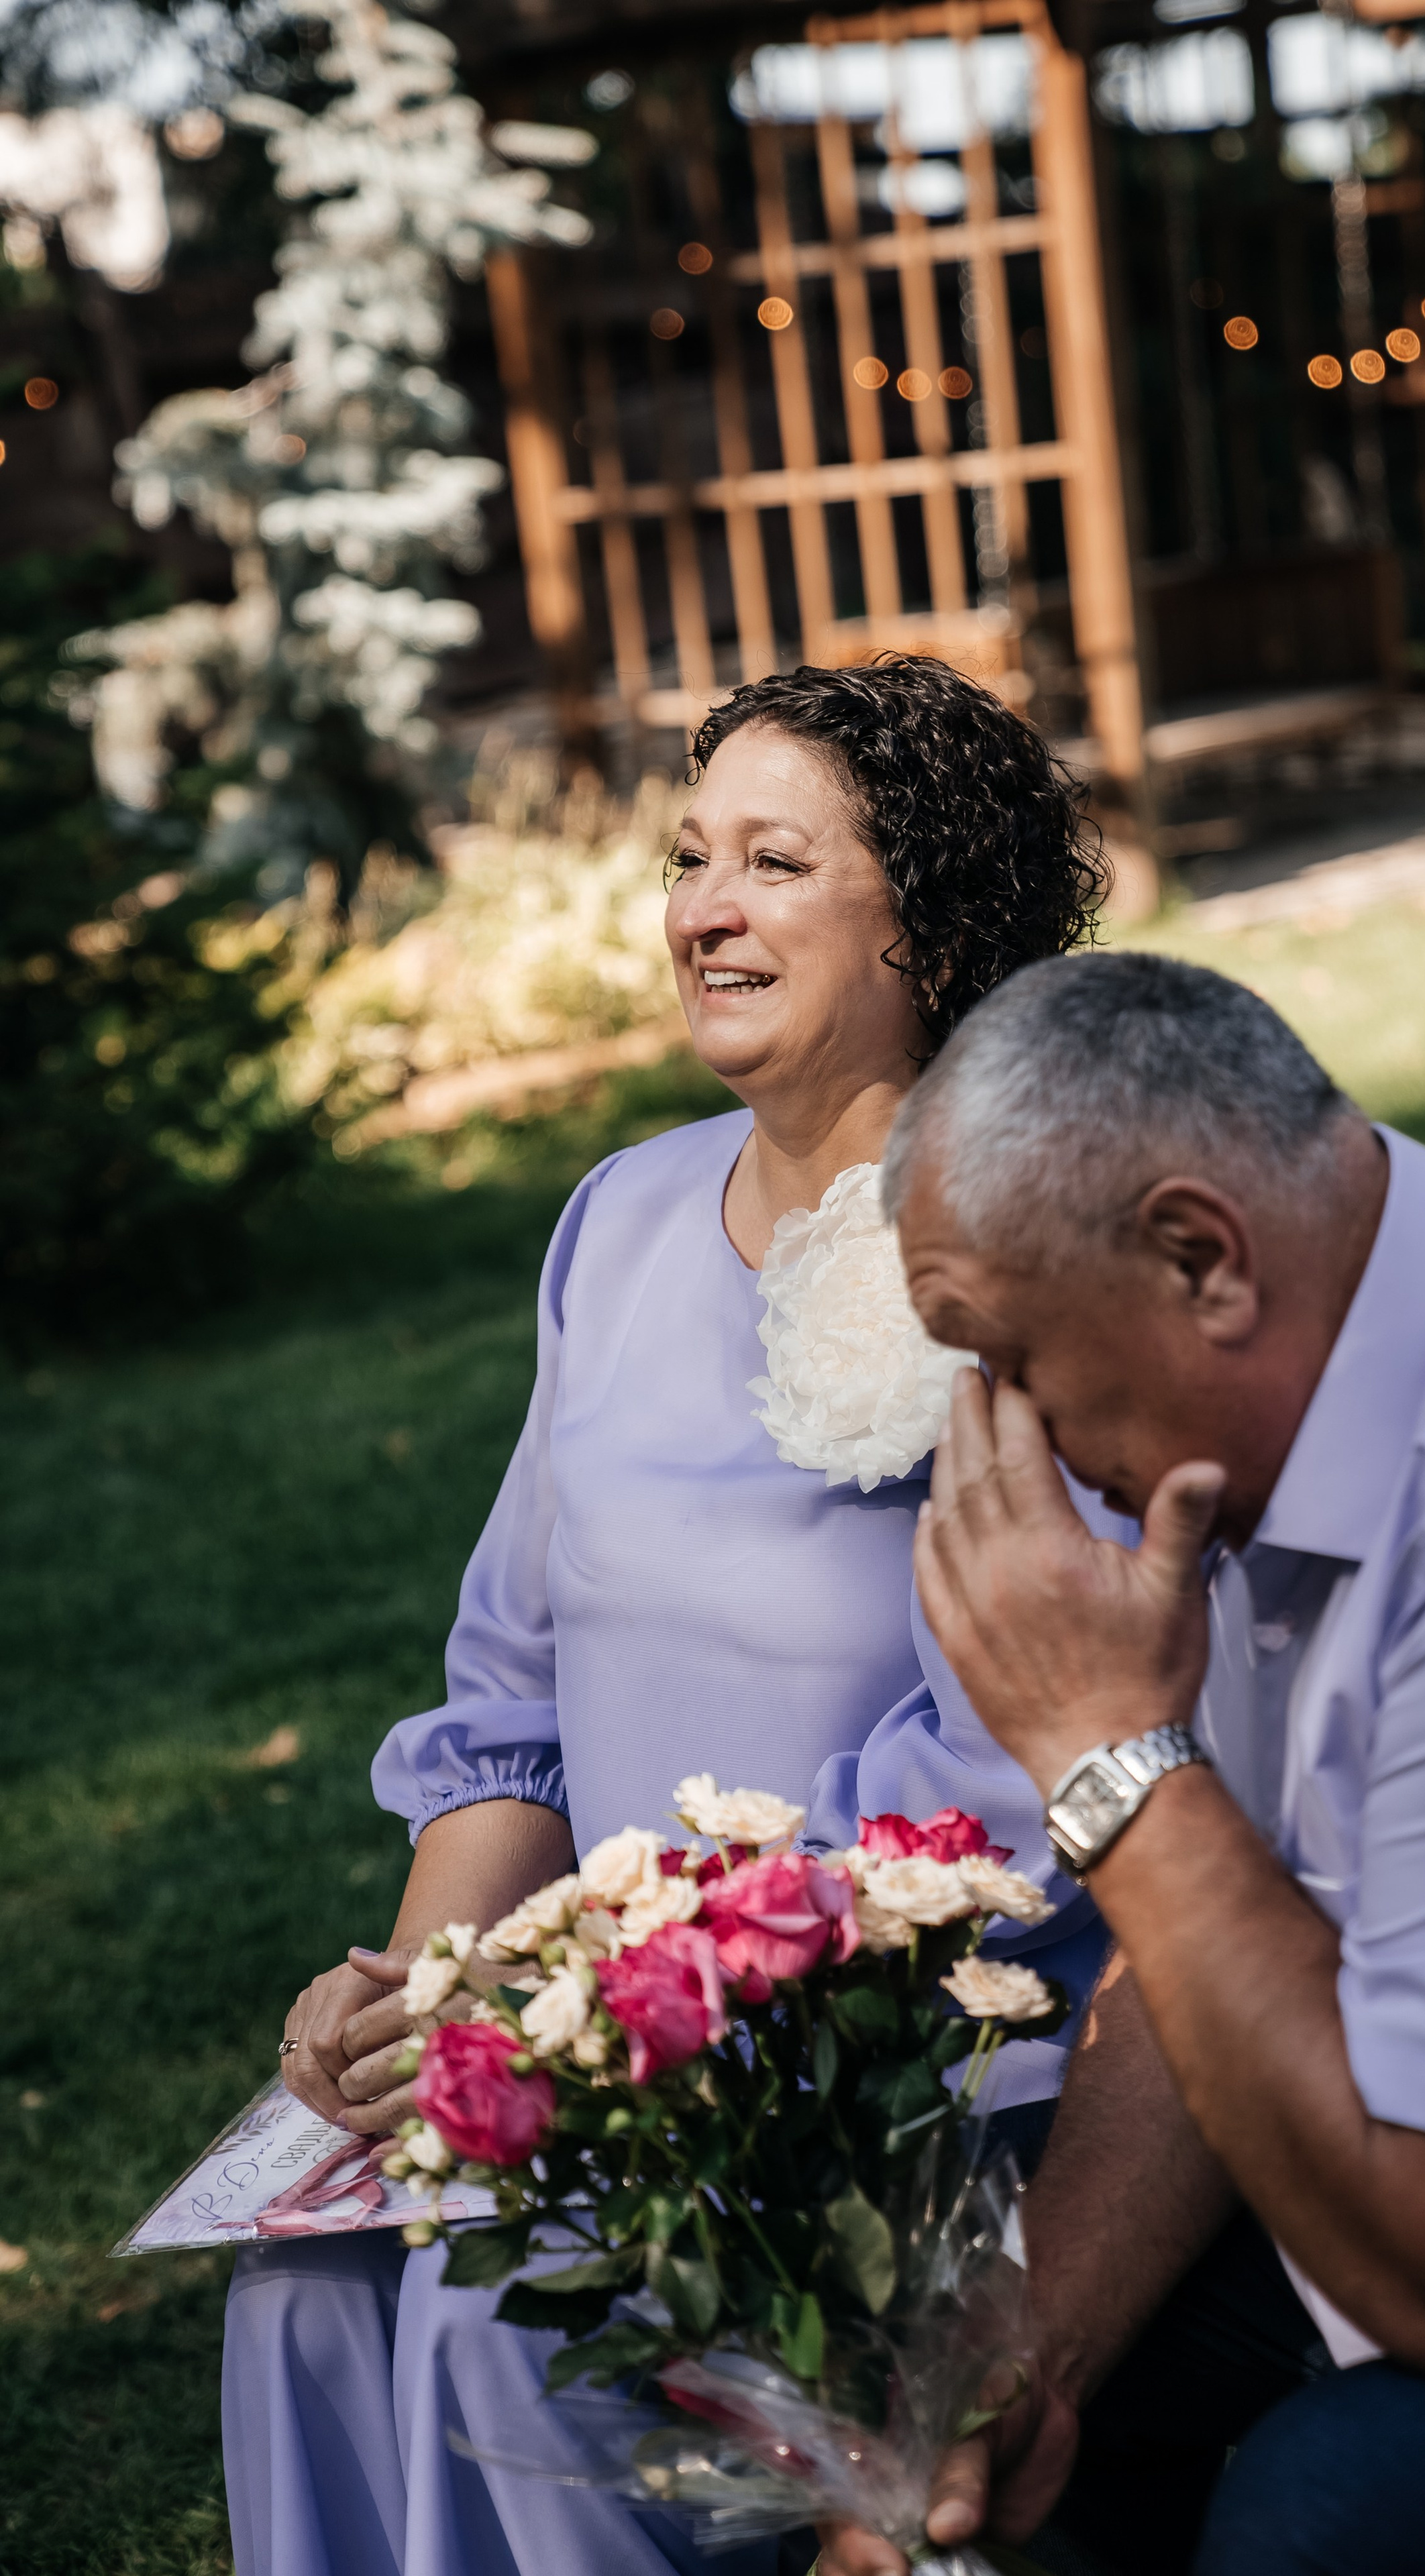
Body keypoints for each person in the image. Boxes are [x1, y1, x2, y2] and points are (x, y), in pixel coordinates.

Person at [221, 659, 1126, 2576]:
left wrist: (593, 2030)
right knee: (309, 2285)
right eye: (687, 856)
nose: (701, 909)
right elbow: (514, 1704)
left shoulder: (1022, 1261)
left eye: (773, 864)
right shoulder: (619, 1220)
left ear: (933, 924)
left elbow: (1002, 1793)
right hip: (580, 2028)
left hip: (901, 2068)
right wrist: (419, 2031)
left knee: (495, 2308)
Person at [823, 950, 1425, 2576]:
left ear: (1197, 1255)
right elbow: (1207, 1957)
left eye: (1007, 1359)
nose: (1002, 1439)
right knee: (922, 2373)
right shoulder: (1274, 1408)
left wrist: (1105, 1757)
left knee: (1343, 2509)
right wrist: (1020, 2368)